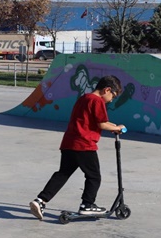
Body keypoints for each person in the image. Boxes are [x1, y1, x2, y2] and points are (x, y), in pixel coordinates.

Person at [29, 75, 125, 220]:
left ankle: (40, 201)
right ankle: (87, 205)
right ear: (107, 90)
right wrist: (117, 127)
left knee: (63, 174)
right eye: (113, 96)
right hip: (84, 145)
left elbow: (99, 121)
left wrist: (115, 127)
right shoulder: (97, 101)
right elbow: (101, 124)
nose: (112, 100)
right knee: (94, 176)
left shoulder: (84, 98)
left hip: (69, 143)